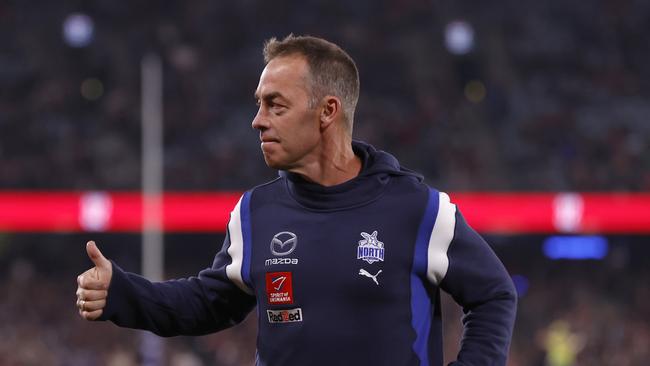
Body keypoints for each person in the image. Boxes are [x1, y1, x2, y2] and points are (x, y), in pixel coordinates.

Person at [76, 35, 517, 366]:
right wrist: (121, 291)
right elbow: (206, 304)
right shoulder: (254, 213)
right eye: (258, 105)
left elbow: (495, 294)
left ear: (327, 111)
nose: (257, 121)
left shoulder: (419, 209)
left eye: (275, 106)